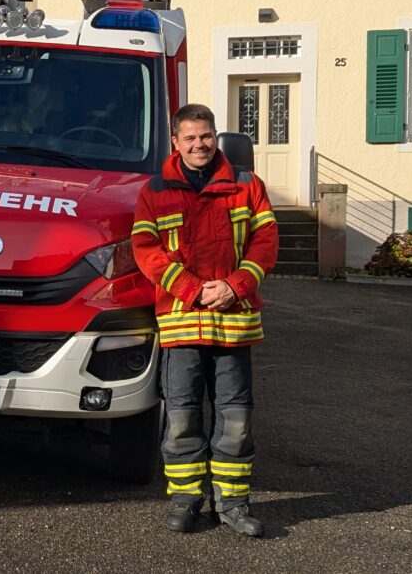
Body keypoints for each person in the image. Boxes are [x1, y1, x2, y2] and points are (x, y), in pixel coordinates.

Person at [130, 103, 278, 537]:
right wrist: (195, 290)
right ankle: (187, 498)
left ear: (217, 137)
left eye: (207, 136)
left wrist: (235, 285)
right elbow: (145, 252)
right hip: (182, 323)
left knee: (235, 418)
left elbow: (265, 243)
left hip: (233, 323)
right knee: (182, 417)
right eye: (191, 138)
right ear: (175, 142)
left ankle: (232, 503)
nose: (200, 145)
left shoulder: (248, 185)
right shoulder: (153, 190)